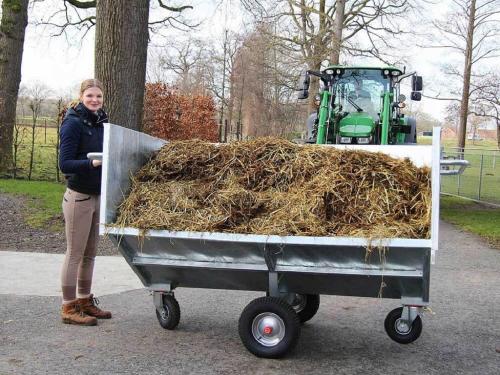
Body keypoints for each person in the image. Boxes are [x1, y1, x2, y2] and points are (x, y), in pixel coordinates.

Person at [58, 79, 111, 325]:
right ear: (81, 96)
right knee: (75, 253)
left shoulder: (102, 122)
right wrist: (91, 163)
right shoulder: (72, 123)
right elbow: (65, 164)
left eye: (98, 96)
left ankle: (85, 301)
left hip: (97, 195)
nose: (94, 100)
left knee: (90, 254)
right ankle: (68, 307)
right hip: (79, 196)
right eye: (90, 96)